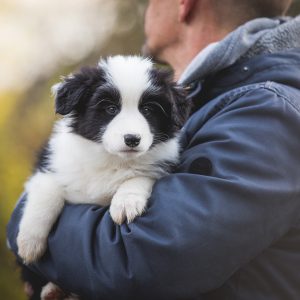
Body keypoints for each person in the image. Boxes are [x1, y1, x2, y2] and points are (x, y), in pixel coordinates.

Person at [7, 0, 300, 299]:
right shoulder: (212, 96)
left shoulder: (271, 112)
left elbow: (145, 259)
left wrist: (25, 224)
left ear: (184, 5)